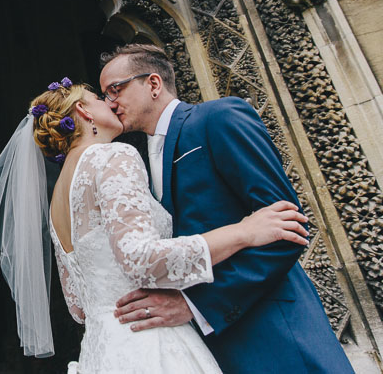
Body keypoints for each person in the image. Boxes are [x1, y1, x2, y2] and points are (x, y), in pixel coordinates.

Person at [0, 76, 310, 373]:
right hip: (150, 343)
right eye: (99, 98)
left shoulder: (58, 198)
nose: (111, 104)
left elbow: (77, 306)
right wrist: (245, 232)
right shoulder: (112, 156)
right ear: (85, 113)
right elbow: (141, 259)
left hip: (101, 351)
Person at [99, 44, 354, 373]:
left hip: (275, 332)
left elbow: (287, 227)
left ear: (152, 83)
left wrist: (195, 305)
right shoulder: (140, 164)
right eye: (105, 95)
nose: (110, 103)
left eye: (115, 89)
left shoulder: (217, 117)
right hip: (215, 347)